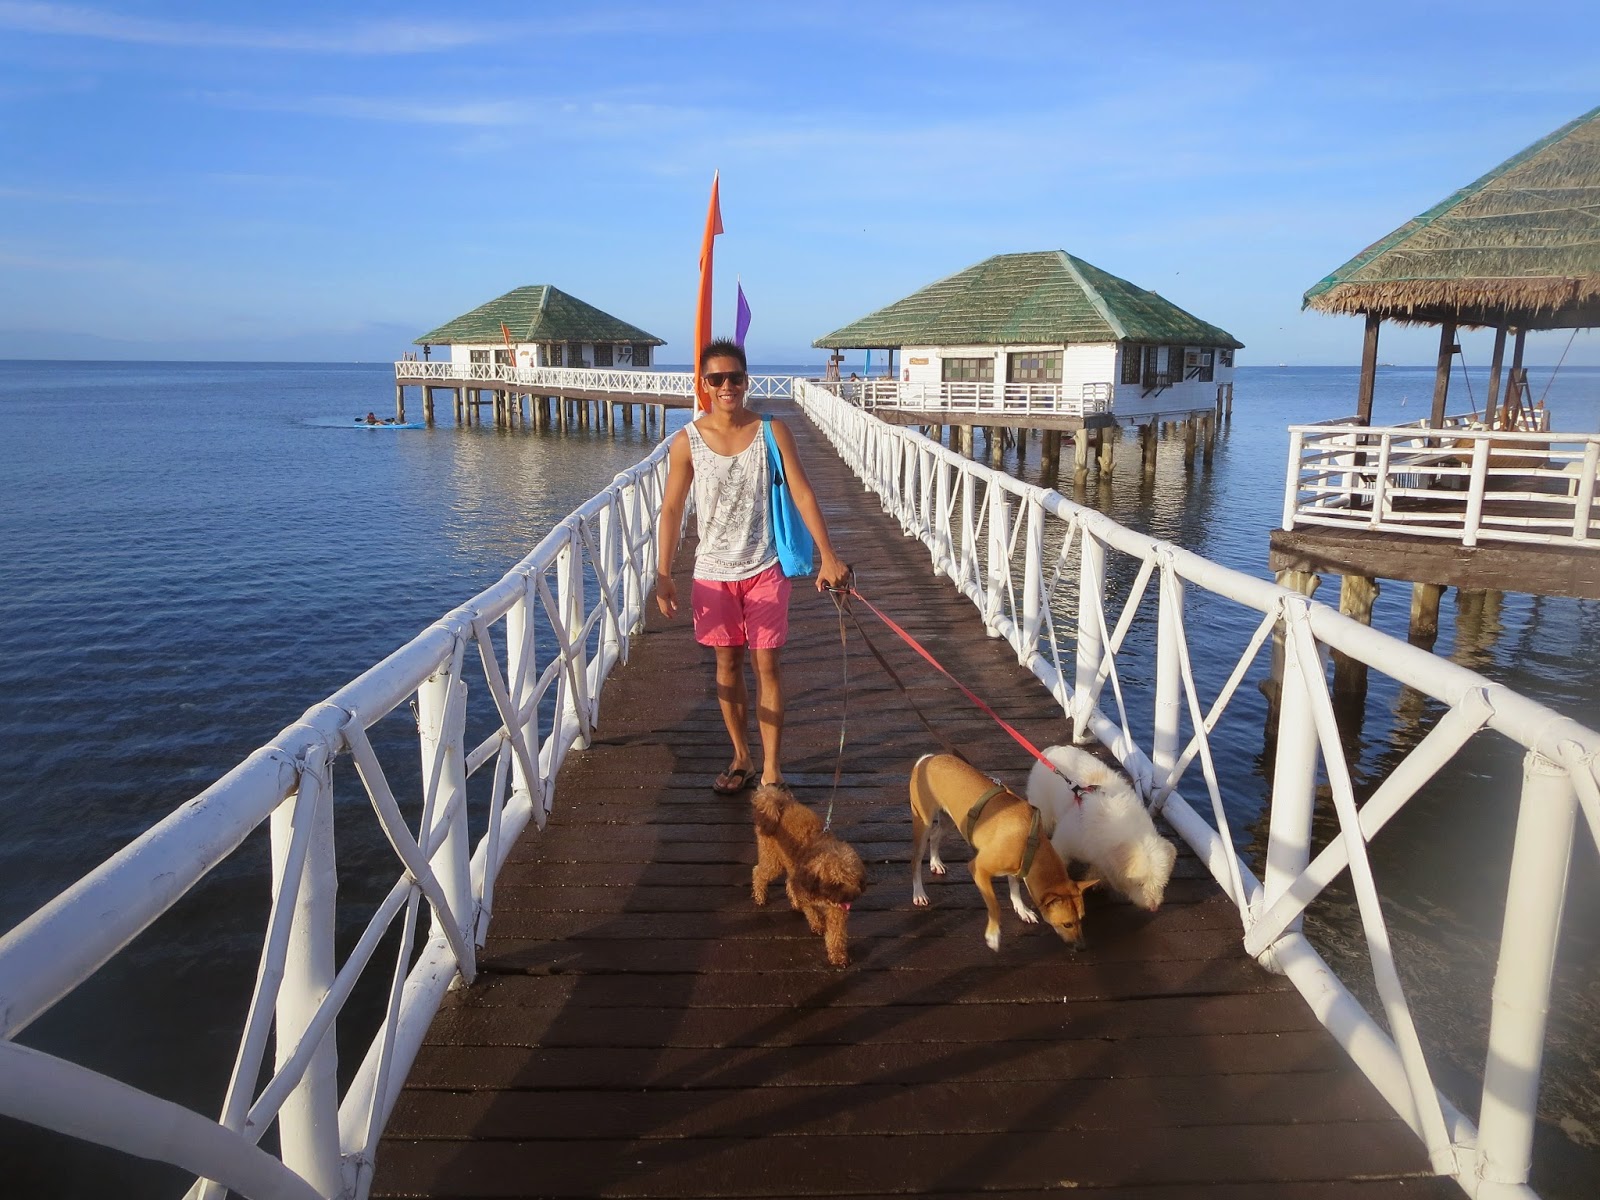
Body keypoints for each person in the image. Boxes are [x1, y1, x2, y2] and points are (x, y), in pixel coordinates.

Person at [656, 338, 848, 794]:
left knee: (768, 665)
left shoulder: (772, 431)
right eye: (716, 378)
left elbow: (802, 491)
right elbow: (672, 509)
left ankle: (773, 769)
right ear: (703, 385)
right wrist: (662, 574)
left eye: (735, 377)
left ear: (746, 381)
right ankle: (742, 756)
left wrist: (828, 555)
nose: (726, 386)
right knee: (726, 666)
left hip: (765, 566)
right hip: (712, 572)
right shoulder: (686, 442)